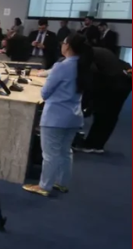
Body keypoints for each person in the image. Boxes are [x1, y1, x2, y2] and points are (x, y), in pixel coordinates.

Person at [23, 34, 91, 197]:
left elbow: (45, 93)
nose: (62, 45)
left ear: (68, 46)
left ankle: (44, 186)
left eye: (64, 43)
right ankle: (61, 183)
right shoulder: (83, 65)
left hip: (56, 116)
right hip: (73, 116)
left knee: (50, 153)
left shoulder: (62, 66)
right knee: (65, 151)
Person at [74, 47, 132, 154]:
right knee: (107, 115)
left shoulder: (86, 57)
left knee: (104, 114)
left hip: (117, 84)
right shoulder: (92, 51)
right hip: (120, 80)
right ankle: (96, 144)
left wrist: (86, 105)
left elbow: (92, 83)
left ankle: (93, 145)